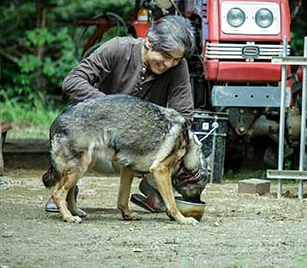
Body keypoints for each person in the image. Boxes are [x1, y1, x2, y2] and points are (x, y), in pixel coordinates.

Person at [45, 15, 197, 213]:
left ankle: (152, 187)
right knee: (75, 148)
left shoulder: (178, 68)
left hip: (140, 148)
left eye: (176, 59)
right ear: (149, 42)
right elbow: (72, 81)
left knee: (177, 151)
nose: (169, 64)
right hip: (99, 141)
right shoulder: (117, 48)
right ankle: (66, 188)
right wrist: (110, 108)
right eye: (166, 56)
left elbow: (183, 115)